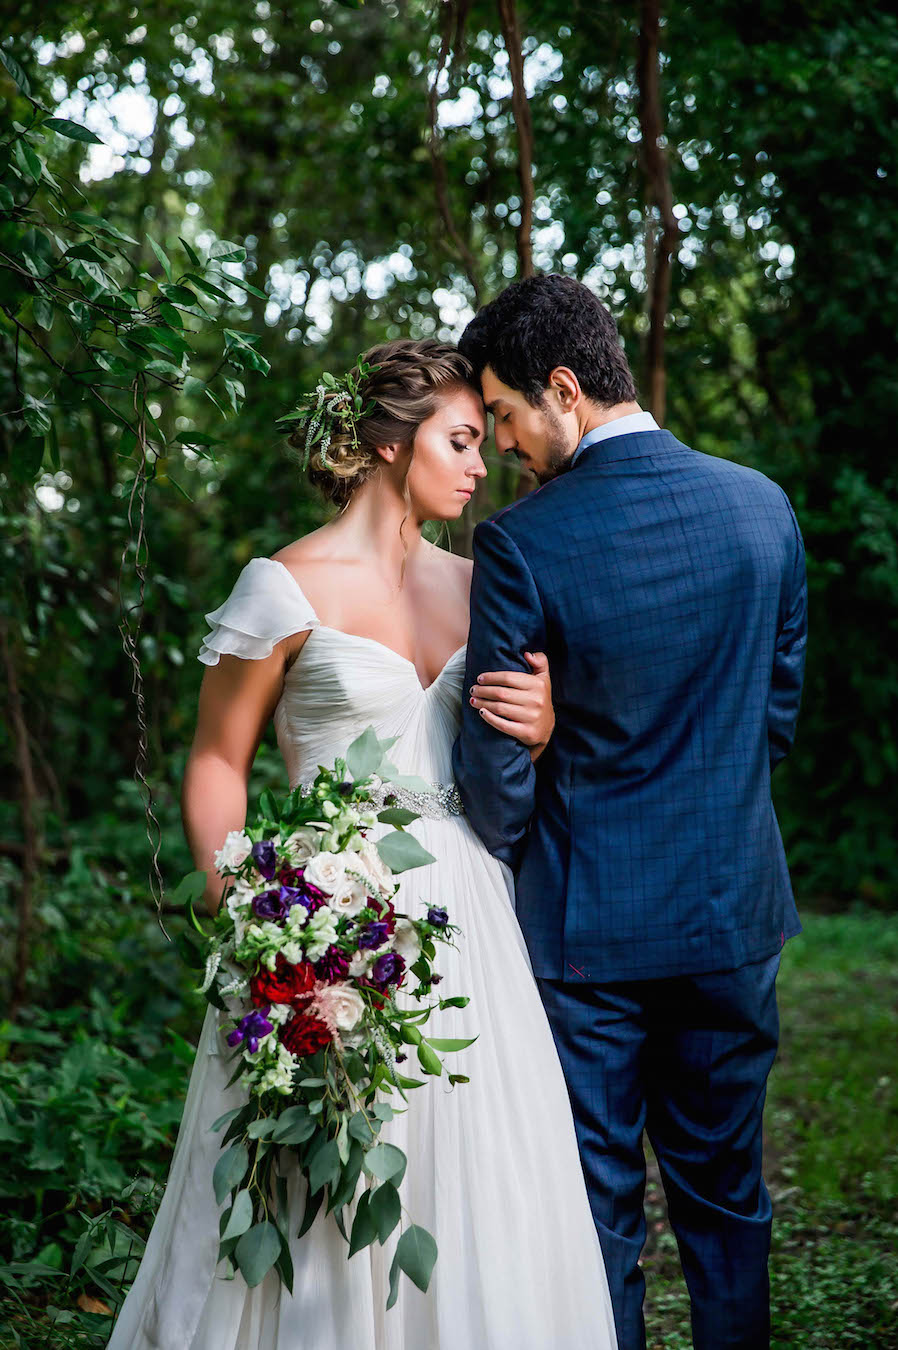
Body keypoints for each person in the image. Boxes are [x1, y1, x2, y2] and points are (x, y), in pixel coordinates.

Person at [107, 339, 618, 1350]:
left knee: (482, 1174)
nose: (484, 464)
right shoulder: (284, 583)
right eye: (464, 440)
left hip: (471, 909)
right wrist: (247, 907)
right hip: (318, 918)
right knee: (318, 1184)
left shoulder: (488, 582)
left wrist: (549, 723)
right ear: (390, 442)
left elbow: (526, 745)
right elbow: (217, 760)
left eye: (487, 441)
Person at [452, 273, 807, 1350]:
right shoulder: (763, 505)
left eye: (507, 414)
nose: (505, 444)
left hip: (585, 932)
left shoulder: (523, 543)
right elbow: (773, 718)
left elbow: (497, 772)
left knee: (596, 1215)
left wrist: (546, 769)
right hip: (728, 914)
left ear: (565, 388)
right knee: (726, 1200)